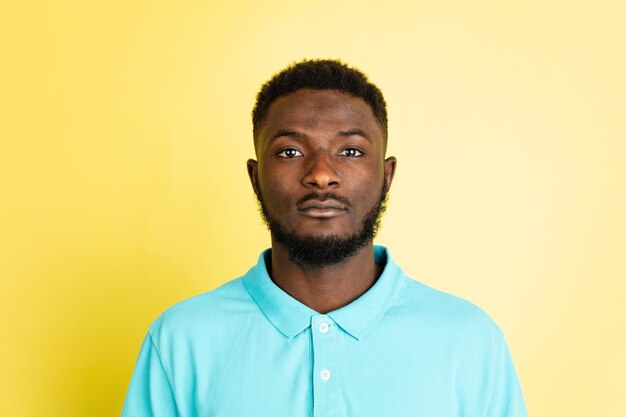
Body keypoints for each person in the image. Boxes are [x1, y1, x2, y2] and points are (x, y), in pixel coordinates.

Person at [121, 59, 528, 417]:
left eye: (349, 151)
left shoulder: (469, 340)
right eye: (290, 152)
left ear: (386, 176)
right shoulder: (180, 339)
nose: (321, 173)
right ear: (255, 177)